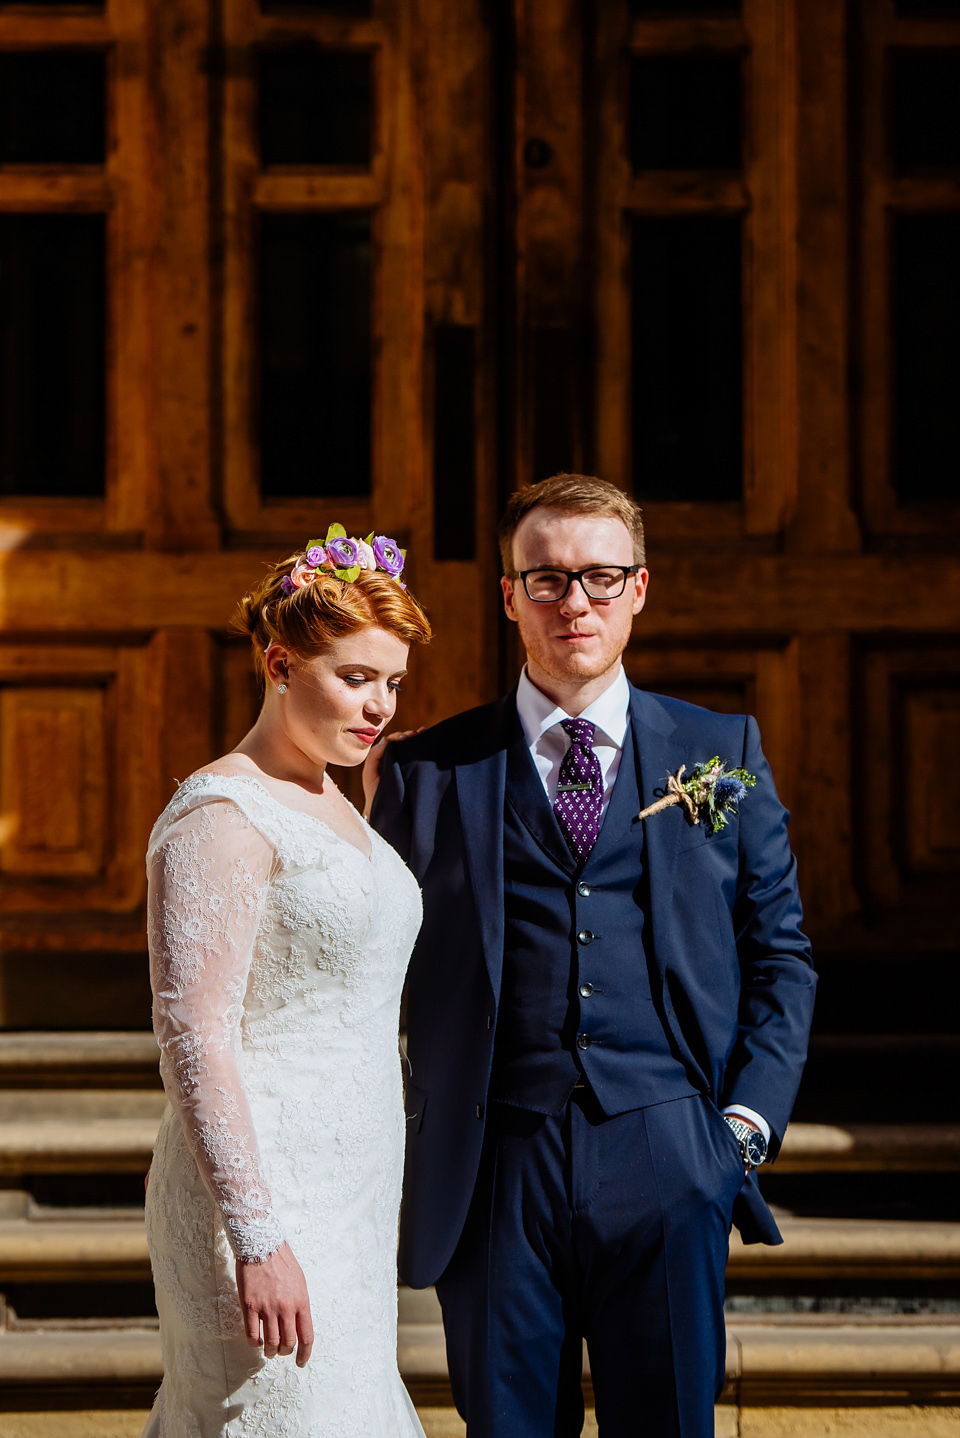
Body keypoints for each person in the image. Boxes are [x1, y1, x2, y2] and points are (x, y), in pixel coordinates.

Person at [369, 474, 816, 1438]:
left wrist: (738, 1130)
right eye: (547, 579)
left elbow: (781, 954)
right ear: (508, 595)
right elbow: (368, 969)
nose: (575, 601)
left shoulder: (719, 747)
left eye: (601, 578)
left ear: (639, 589)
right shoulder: (424, 771)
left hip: (670, 1150)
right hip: (493, 1164)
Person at [142, 532, 431, 1436]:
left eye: (392, 683)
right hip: (263, 1208)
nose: (378, 705)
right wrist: (260, 1240)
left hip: (353, 1200)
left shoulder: (334, 794)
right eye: (354, 678)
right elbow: (196, 1035)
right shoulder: (222, 815)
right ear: (278, 662)